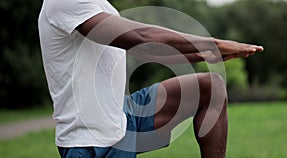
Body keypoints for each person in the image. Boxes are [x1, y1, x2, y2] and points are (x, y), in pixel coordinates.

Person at [38, 0, 263, 158]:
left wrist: (206, 53)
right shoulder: (66, 2)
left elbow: (145, 49)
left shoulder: (98, 4)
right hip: (89, 142)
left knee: (210, 87)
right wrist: (212, 43)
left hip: (122, 116)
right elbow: (141, 37)